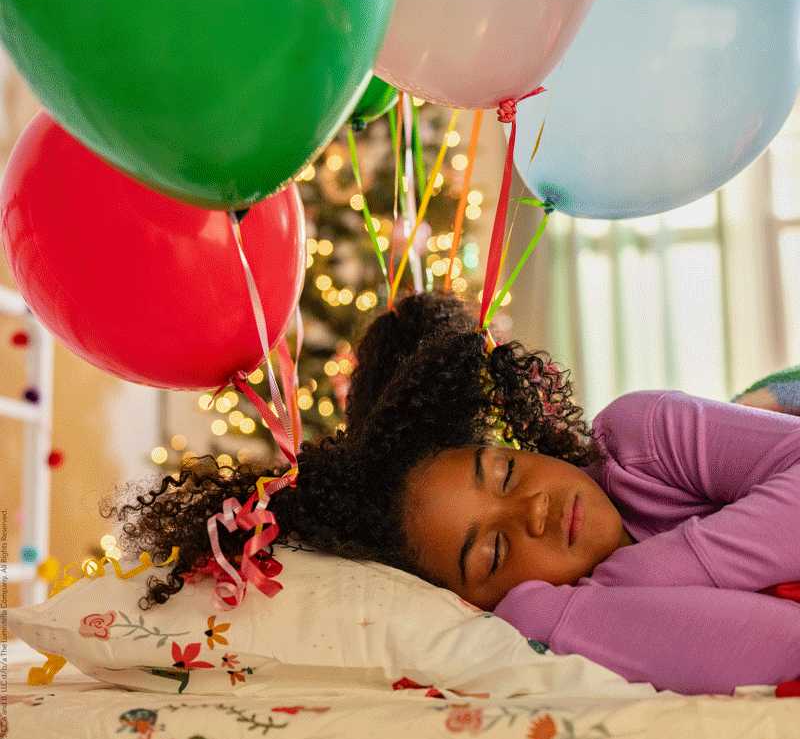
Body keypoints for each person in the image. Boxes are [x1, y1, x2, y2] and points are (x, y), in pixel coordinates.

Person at [113, 292, 800, 696]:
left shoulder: (642, 436)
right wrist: (555, 614)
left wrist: (634, 573)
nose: (534, 511)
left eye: (505, 474)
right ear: (478, 600)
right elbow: (784, 652)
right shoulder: (541, 621)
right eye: (493, 552)